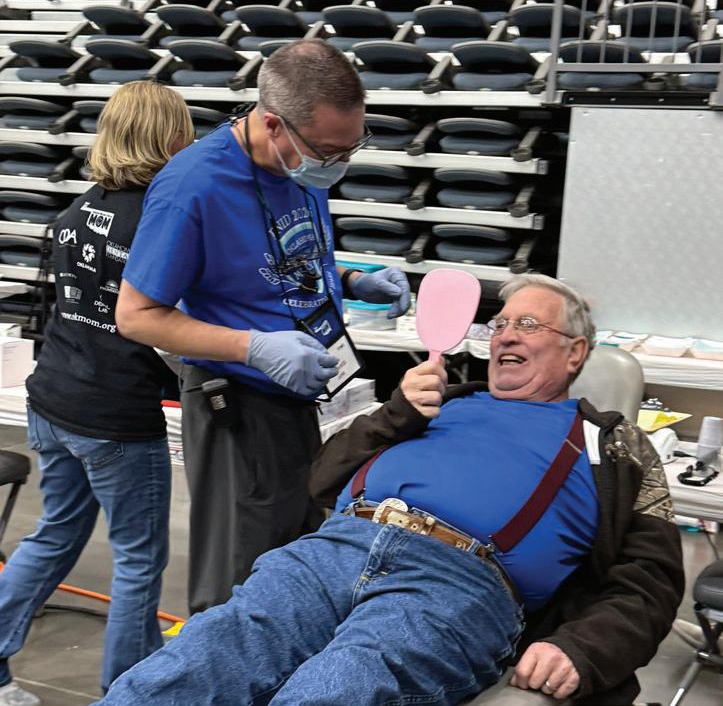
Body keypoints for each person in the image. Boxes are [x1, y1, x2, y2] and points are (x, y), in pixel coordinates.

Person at [96, 274, 684, 706]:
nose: (505, 334)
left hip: (457, 581)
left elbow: (651, 582)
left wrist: (583, 649)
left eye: (527, 324)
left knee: (335, 691)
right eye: (499, 324)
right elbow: (321, 477)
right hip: (334, 548)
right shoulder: (439, 402)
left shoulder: (616, 446)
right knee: (186, 668)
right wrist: (395, 414)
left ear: (576, 351)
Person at [114, 39, 411, 614]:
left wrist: (351, 280)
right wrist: (252, 347)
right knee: (239, 582)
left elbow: (272, 257)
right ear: (273, 124)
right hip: (240, 408)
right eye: (329, 150)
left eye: (352, 147)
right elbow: (136, 315)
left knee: (293, 560)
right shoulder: (193, 186)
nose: (339, 164)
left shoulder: (295, 164)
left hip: (299, 396)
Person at [0, 81, 194, 706]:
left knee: (54, 533)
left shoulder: (76, 212)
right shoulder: (159, 223)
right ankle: (128, 692)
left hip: (53, 400)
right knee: (138, 558)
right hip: (114, 417)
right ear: (171, 139)